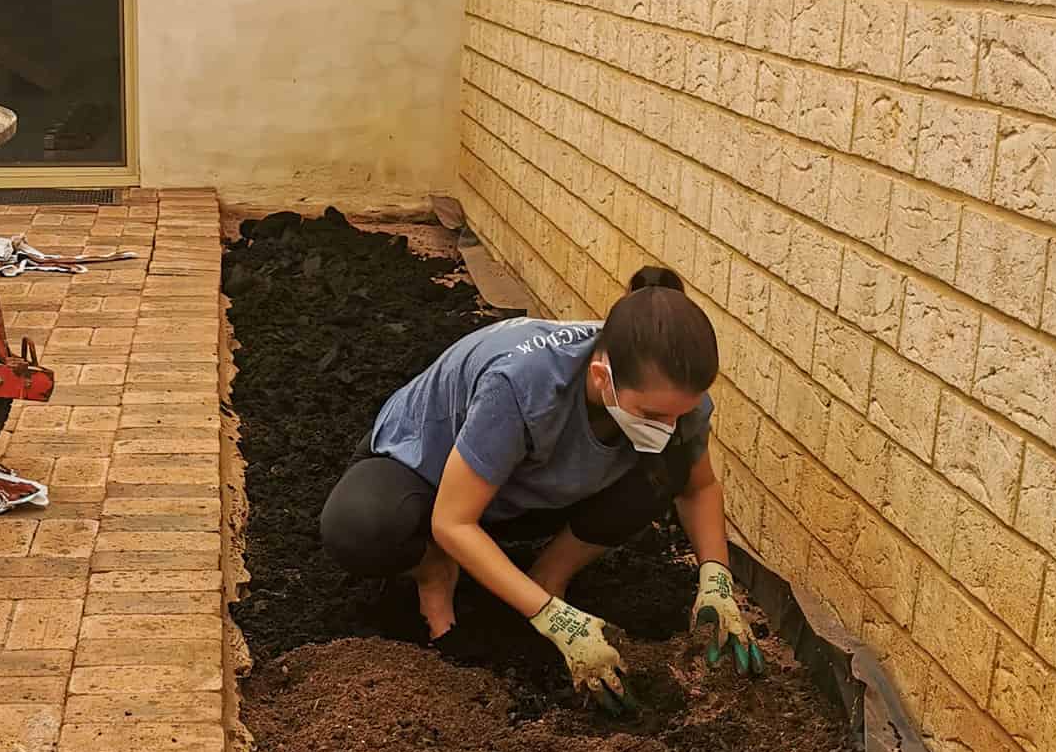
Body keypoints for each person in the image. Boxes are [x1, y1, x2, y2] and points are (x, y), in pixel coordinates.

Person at [318, 265, 762, 711]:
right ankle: (437, 573)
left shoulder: (671, 392)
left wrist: (716, 578)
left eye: (678, 415)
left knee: (665, 467)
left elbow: (698, 488)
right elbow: (452, 520)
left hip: (525, 488)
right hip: (428, 477)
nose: (667, 427)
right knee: (360, 527)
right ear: (601, 376)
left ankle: (548, 578)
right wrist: (555, 622)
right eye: (651, 414)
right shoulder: (521, 385)